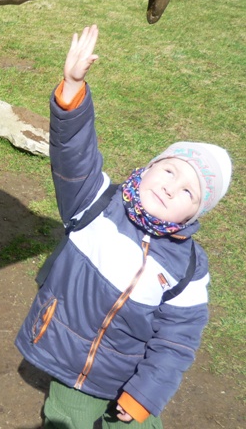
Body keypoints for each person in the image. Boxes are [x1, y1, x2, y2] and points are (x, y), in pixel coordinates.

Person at [15, 24, 232, 428]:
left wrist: (144, 395)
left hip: (130, 376)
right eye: (169, 170)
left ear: (193, 215)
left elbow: (177, 339)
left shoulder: (189, 268)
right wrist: (72, 89)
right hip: (70, 362)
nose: (171, 187)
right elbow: (74, 154)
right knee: (67, 421)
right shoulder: (95, 203)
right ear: (149, 168)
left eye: (189, 191)